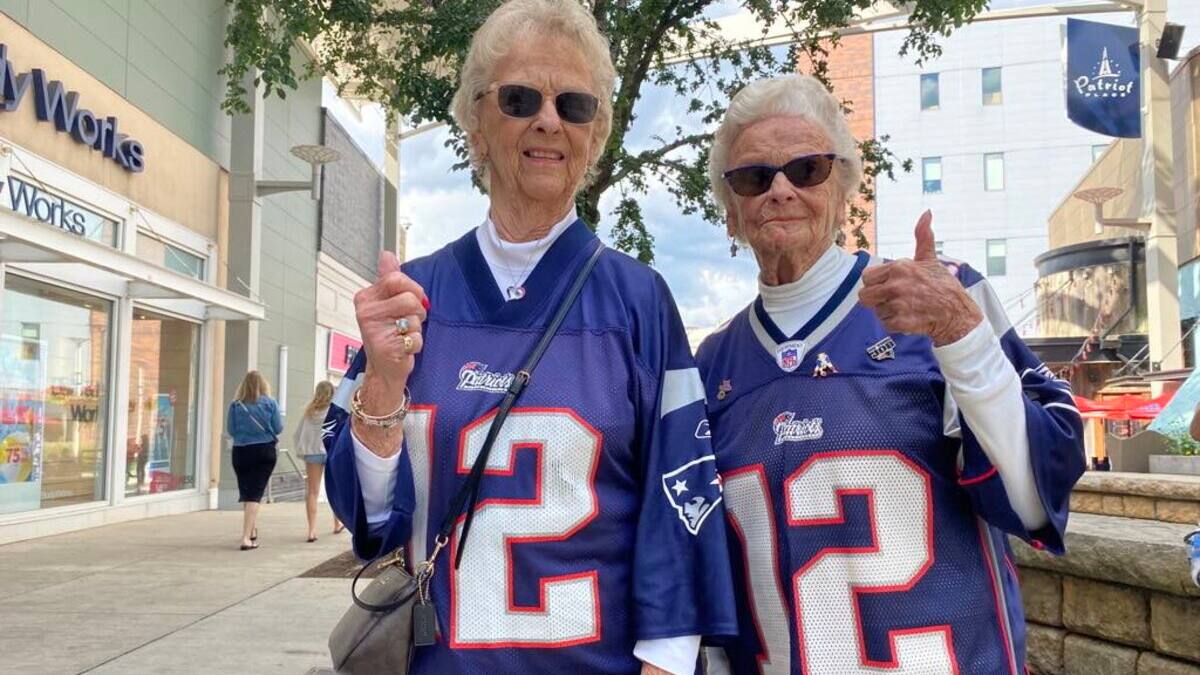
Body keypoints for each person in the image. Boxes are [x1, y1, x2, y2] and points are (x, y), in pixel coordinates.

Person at [322, 1, 736, 673]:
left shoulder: (639, 304)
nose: (548, 120)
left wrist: (664, 662)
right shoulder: (410, 299)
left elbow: (681, 504)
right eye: (519, 98)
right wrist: (384, 383)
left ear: (595, 135)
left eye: (574, 105)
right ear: (476, 122)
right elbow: (367, 523)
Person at [695, 74, 1086, 674]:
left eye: (806, 169)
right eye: (753, 177)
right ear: (730, 211)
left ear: (844, 187)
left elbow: (1035, 501)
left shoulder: (940, 297)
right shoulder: (712, 364)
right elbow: (708, 578)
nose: (780, 190)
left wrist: (962, 336)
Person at [226, 370, 283, 551]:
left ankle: (251, 530)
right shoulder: (270, 403)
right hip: (264, 451)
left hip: (240, 451)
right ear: (263, 385)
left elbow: (231, 430)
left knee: (247, 492)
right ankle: (245, 538)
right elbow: (278, 428)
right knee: (255, 494)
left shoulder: (235, 406)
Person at [293, 380, 344, 542]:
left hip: (313, 454)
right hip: (331, 452)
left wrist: (303, 451)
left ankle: (312, 531)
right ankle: (337, 523)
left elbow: (298, 434)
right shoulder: (336, 412)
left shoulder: (309, 412)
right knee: (335, 490)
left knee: (312, 492)